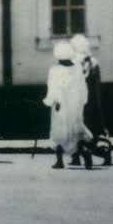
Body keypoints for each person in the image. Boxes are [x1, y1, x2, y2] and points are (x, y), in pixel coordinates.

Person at [43, 40, 90, 170]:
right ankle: (81, 155)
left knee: (59, 132)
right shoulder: (78, 69)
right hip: (75, 106)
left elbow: (52, 88)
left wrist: (49, 101)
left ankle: (59, 161)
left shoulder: (55, 70)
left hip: (60, 106)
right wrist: (82, 102)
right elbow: (83, 88)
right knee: (75, 131)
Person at [72, 34, 112, 167]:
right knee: (94, 130)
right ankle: (105, 154)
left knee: (77, 129)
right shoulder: (94, 62)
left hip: (79, 102)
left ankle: (77, 156)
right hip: (93, 102)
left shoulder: (75, 62)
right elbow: (97, 87)